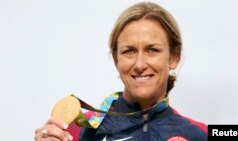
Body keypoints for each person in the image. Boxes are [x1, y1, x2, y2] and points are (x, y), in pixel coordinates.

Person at [35, 2, 207, 141]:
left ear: (174, 57)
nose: (140, 64)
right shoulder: (74, 129)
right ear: (116, 60)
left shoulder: (201, 134)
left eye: (152, 50)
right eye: (129, 51)